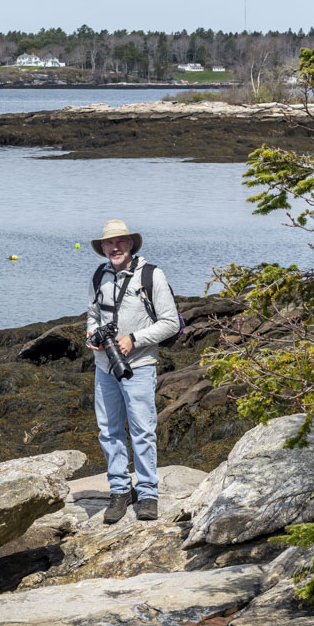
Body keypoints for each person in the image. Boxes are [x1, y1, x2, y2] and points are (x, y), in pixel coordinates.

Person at [85, 218, 181, 524]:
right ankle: (119, 491)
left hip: (139, 366)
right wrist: (93, 337)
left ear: (130, 244)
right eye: (108, 243)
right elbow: (91, 314)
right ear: (102, 248)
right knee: (108, 431)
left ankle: (148, 493)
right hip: (104, 367)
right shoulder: (99, 275)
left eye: (119, 242)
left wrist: (133, 340)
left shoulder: (152, 275)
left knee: (142, 430)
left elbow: (171, 323)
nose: (113, 247)